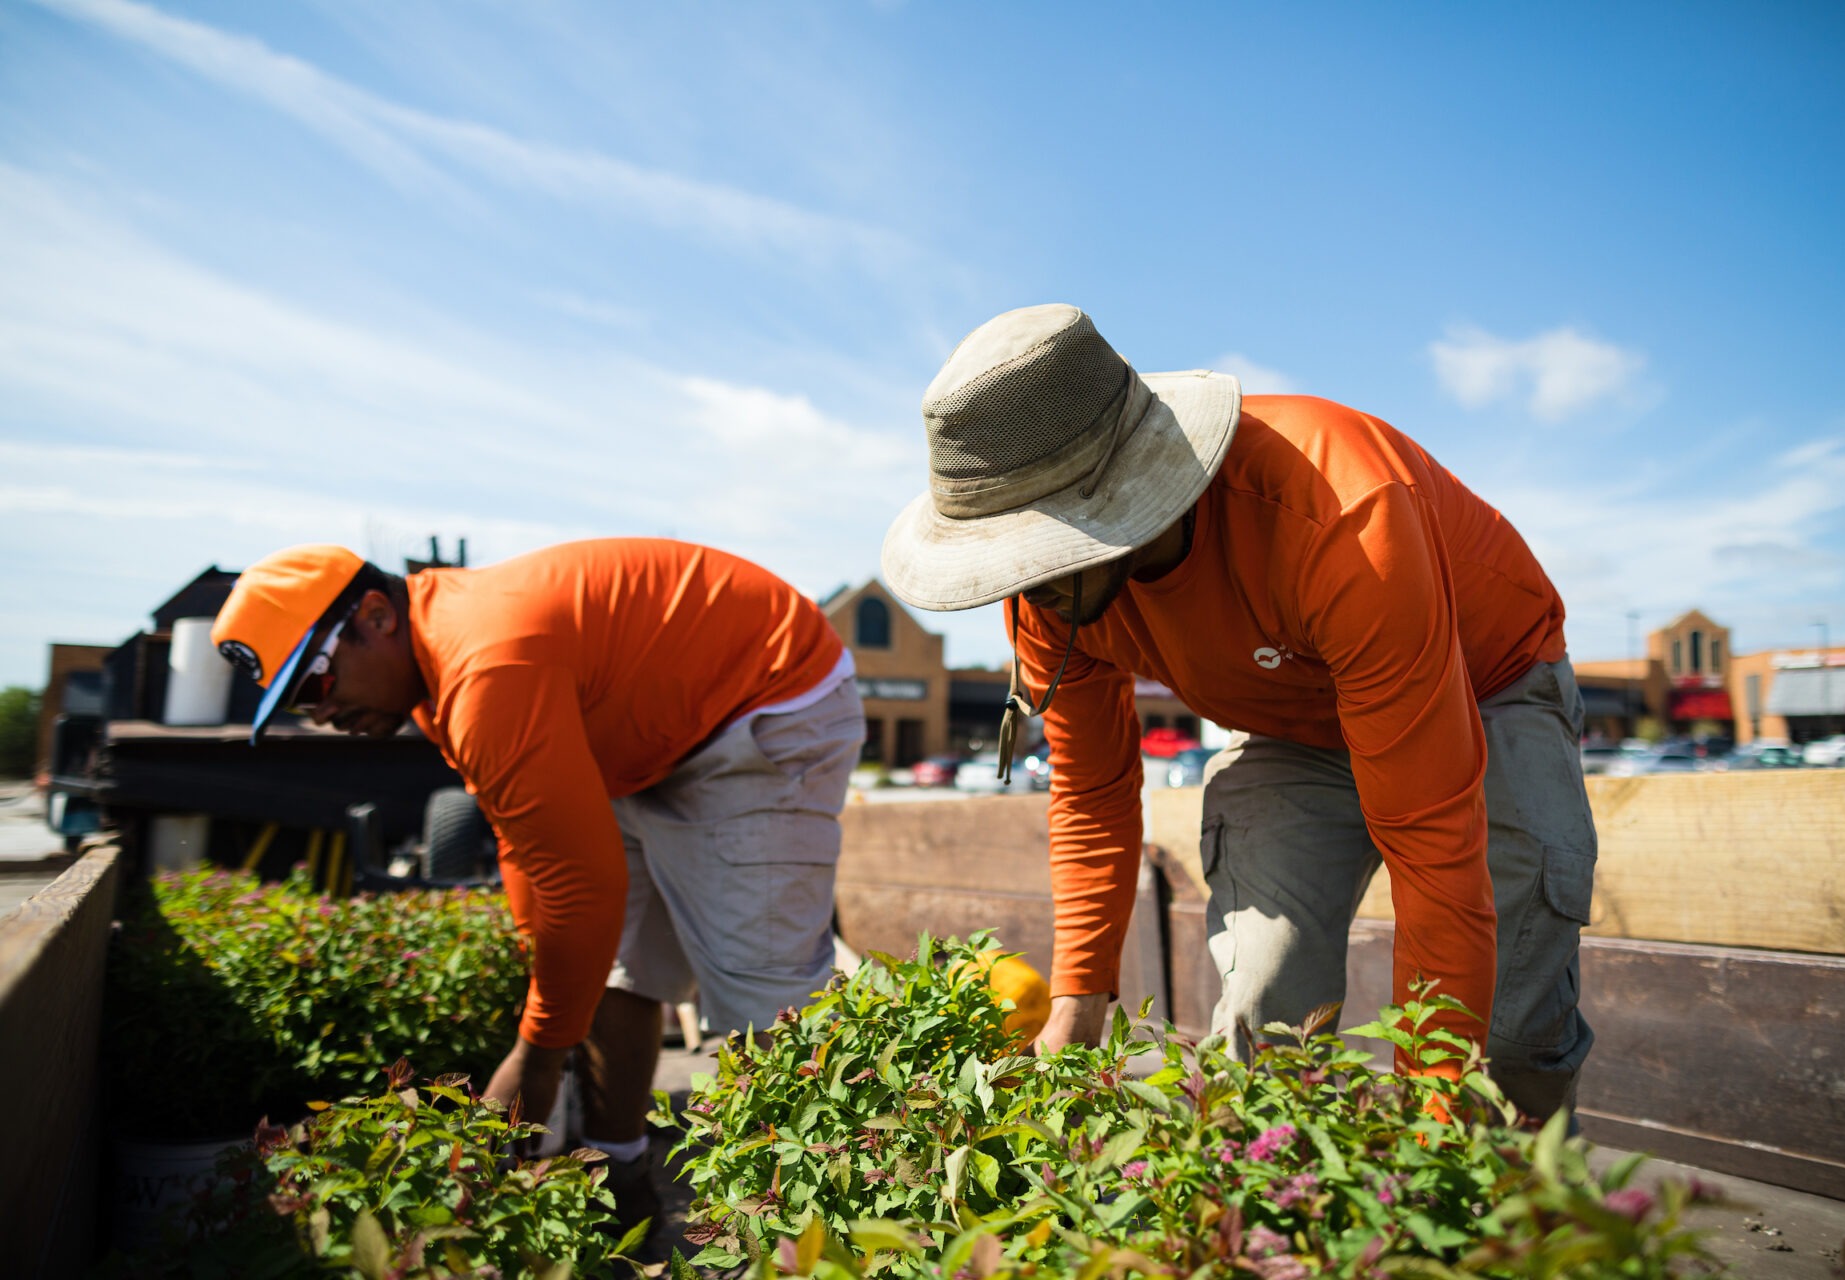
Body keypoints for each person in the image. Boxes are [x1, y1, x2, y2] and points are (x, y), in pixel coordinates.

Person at [881, 304, 1595, 1122]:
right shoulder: (1050, 598)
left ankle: (1523, 1212)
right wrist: (1075, 1009)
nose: (1018, 581)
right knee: (1264, 1011)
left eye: (1032, 548)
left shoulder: (1342, 514)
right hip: (1294, 723)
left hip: (1483, 688)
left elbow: (1435, 846)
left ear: (1117, 504)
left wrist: (1434, 1138)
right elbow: (1090, 794)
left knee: (1504, 1038)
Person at [211, 537, 863, 1229]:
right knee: (615, 968)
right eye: (294, 704)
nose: (320, 714)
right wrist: (543, 983)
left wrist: (538, 1057)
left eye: (314, 683)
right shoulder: (435, 684)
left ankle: (820, 1233)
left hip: (765, 696)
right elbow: (526, 846)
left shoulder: (483, 665)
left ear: (376, 615)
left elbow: (581, 886)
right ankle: (619, 1181)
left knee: (766, 991)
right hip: (648, 730)